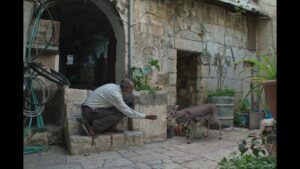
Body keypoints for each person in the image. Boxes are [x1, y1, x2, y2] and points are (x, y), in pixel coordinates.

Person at [81, 78, 157, 137]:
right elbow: (127, 111)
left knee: (119, 110)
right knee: (121, 112)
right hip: (89, 112)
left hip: (91, 109)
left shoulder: (113, 86)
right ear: (125, 88)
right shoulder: (115, 94)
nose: (131, 91)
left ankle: (107, 127)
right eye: (131, 89)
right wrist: (146, 116)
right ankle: (93, 127)